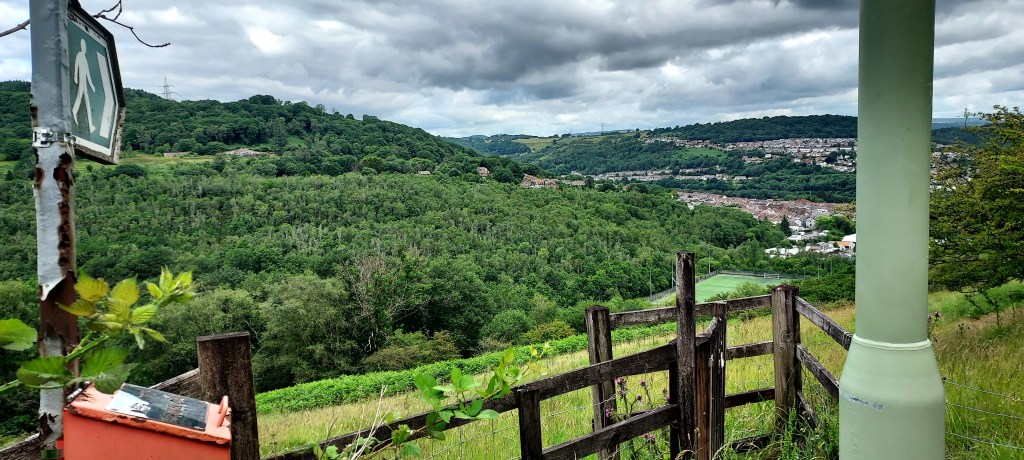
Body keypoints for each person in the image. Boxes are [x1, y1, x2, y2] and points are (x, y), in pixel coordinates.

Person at [71, 39, 96, 133]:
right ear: (81, 47)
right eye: (83, 46)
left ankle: (90, 125)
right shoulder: (80, 55)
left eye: (85, 46)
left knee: (86, 101)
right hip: (81, 81)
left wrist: (92, 85)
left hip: (84, 83)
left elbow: (88, 73)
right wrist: (75, 77)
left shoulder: (85, 58)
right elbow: (76, 65)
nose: (84, 48)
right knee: (80, 97)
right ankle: (74, 111)